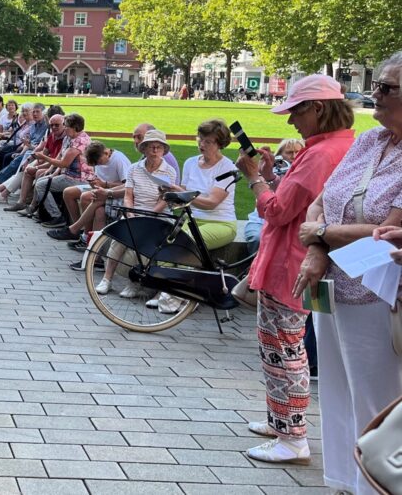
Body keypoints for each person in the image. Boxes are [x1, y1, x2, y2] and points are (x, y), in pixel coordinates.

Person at [233, 74, 355, 467]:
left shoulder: (320, 153)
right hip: (297, 261)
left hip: (290, 263)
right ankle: (282, 422)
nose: (290, 122)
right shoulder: (337, 146)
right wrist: (272, 177)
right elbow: (294, 199)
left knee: (285, 351)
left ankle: (293, 436)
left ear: (317, 108)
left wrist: (255, 180)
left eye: (295, 112)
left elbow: (277, 210)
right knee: (281, 348)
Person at [293, 55, 402, 495]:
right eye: (377, 85)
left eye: (387, 88)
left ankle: (375, 486)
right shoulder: (370, 140)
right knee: (336, 393)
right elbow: (325, 197)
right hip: (333, 288)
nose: (375, 94)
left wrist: (319, 234)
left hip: (380, 297)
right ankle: (343, 482)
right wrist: (318, 248)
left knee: (376, 405)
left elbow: (389, 232)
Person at [157, 119, 238, 314]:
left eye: (208, 141)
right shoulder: (191, 162)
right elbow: (183, 196)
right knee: (165, 245)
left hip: (221, 222)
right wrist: (170, 194)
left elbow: (211, 203)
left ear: (220, 144)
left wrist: (184, 194)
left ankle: (182, 298)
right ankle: (167, 293)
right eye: (200, 139)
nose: (201, 144)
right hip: (193, 219)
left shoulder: (227, 168)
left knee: (187, 245)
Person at [91, 130, 178, 284]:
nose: (155, 150)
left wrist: (148, 215)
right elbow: (128, 195)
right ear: (144, 149)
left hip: (157, 215)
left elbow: (164, 199)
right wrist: (130, 213)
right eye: (151, 147)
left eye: (159, 147)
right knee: (119, 238)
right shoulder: (134, 168)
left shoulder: (169, 171)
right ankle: (107, 278)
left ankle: (136, 284)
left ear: (164, 150)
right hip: (134, 211)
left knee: (145, 244)